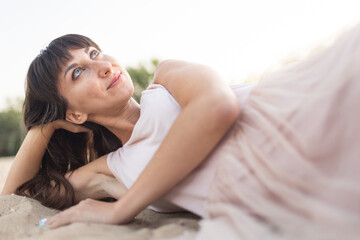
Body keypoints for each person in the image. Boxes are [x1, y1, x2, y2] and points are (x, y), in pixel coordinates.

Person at [2, 22, 360, 239]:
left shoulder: (166, 80)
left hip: (318, 100)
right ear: (75, 114)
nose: (103, 66)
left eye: (95, 53)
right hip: (312, 190)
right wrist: (46, 122)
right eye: (77, 72)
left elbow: (216, 107)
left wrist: (121, 209)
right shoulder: (112, 169)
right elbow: (17, 194)